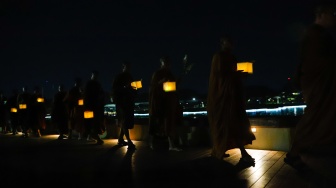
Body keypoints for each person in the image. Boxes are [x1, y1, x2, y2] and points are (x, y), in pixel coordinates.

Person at [284, 1, 336, 171]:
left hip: (319, 84)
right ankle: (293, 154)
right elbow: (313, 63)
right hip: (319, 85)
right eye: (331, 14)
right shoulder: (315, 35)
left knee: (316, 119)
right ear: (321, 15)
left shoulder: (316, 34)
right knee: (313, 119)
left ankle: (295, 153)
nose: (334, 18)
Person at [207, 35, 255, 165]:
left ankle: (222, 150)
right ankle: (238, 152)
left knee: (234, 124)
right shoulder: (218, 56)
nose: (230, 44)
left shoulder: (232, 57)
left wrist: (241, 74)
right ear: (222, 43)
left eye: (232, 42)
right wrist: (237, 74)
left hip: (232, 95)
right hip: (223, 97)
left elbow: (231, 74)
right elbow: (219, 76)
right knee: (228, 124)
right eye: (228, 42)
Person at [148, 56, 183, 151]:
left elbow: (171, 87)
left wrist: (176, 83)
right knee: (155, 123)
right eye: (165, 62)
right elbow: (152, 88)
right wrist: (160, 83)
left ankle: (171, 145)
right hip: (158, 102)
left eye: (168, 62)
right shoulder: (157, 73)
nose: (167, 64)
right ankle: (151, 143)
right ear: (162, 63)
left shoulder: (170, 74)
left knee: (169, 123)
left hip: (168, 102)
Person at [111, 62, 137, 150]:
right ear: (123, 67)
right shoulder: (119, 77)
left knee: (125, 120)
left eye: (129, 67)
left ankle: (120, 139)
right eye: (127, 66)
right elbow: (115, 89)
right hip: (122, 102)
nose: (129, 68)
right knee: (124, 120)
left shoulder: (130, 77)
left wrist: (135, 86)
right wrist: (126, 87)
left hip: (129, 101)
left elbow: (133, 89)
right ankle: (129, 141)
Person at [83, 70, 105, 145]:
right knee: (92, 122)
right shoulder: (92, 84)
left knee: (91, 122)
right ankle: (94, 137)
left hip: (92, 105)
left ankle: (90, 135)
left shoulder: (93, 84)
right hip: (91, 106)